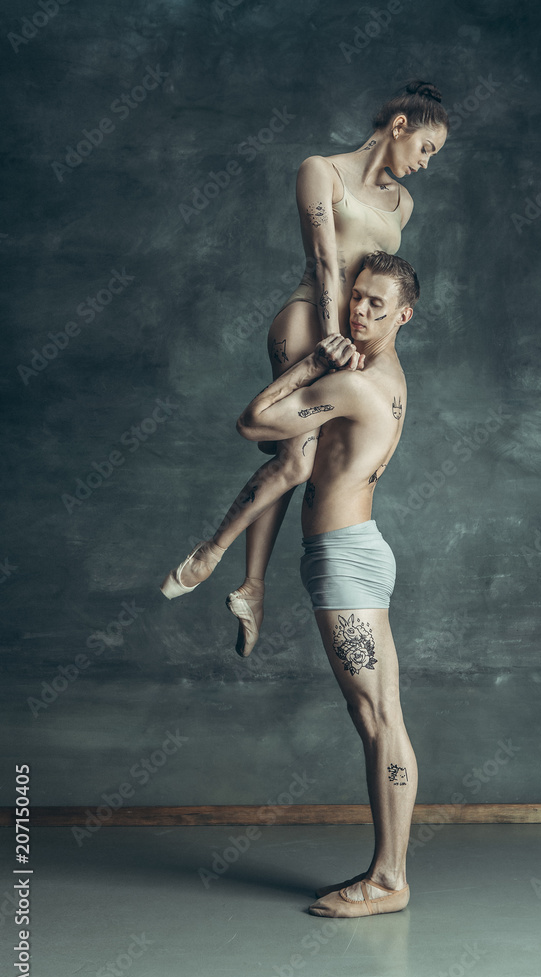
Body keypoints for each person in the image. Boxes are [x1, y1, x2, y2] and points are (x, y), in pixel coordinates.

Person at [160, 82, 448, 660]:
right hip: (306, 322)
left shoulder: (403, 205)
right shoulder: (321, 171)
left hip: (351, 339)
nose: (425, 162)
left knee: (302, 464)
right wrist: (332, 334)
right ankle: (213, 554)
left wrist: (374, 351)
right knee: (295, 458)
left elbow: (380, 284)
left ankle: (251, 586)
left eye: (433, 156)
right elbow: (323, 259)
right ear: (398, 125)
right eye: (425, 146)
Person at [235, 250, 419, 917]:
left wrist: (309, 365)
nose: (359, 311)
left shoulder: (354, 383)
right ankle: (387, 872)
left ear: (404, 315)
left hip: (345, 559)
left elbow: (253, 423)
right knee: (376, 716)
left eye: (377, 304)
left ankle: (388, 881)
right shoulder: (381, 372)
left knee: (377, 718)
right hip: (350, 553)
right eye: (357, 297)